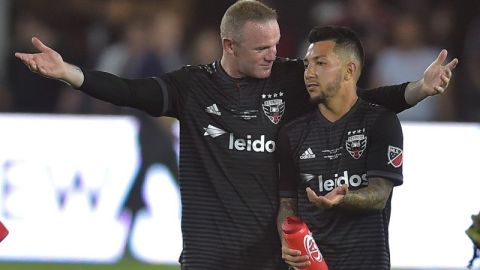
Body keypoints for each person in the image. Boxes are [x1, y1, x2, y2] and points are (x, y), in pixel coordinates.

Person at [15, 1, 457, 269]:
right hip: (209, 256)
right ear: (229, 45)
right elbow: (130, 91)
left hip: (276, 257)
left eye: (278, 44)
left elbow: (358, 99)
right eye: (262, 48)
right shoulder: (192, 87)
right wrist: (69, 73)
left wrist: (418, 89)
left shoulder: (289, 80)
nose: (275, 55)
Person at [276, 25, 403, 270]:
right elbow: (287, 204)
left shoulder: (381, 122)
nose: (309, 73)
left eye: (320, 63)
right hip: (312, 266)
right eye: (306, 64)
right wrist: (286, 239)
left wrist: (344, 198)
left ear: (349, 71)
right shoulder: (292, 133)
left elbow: (380, 194)